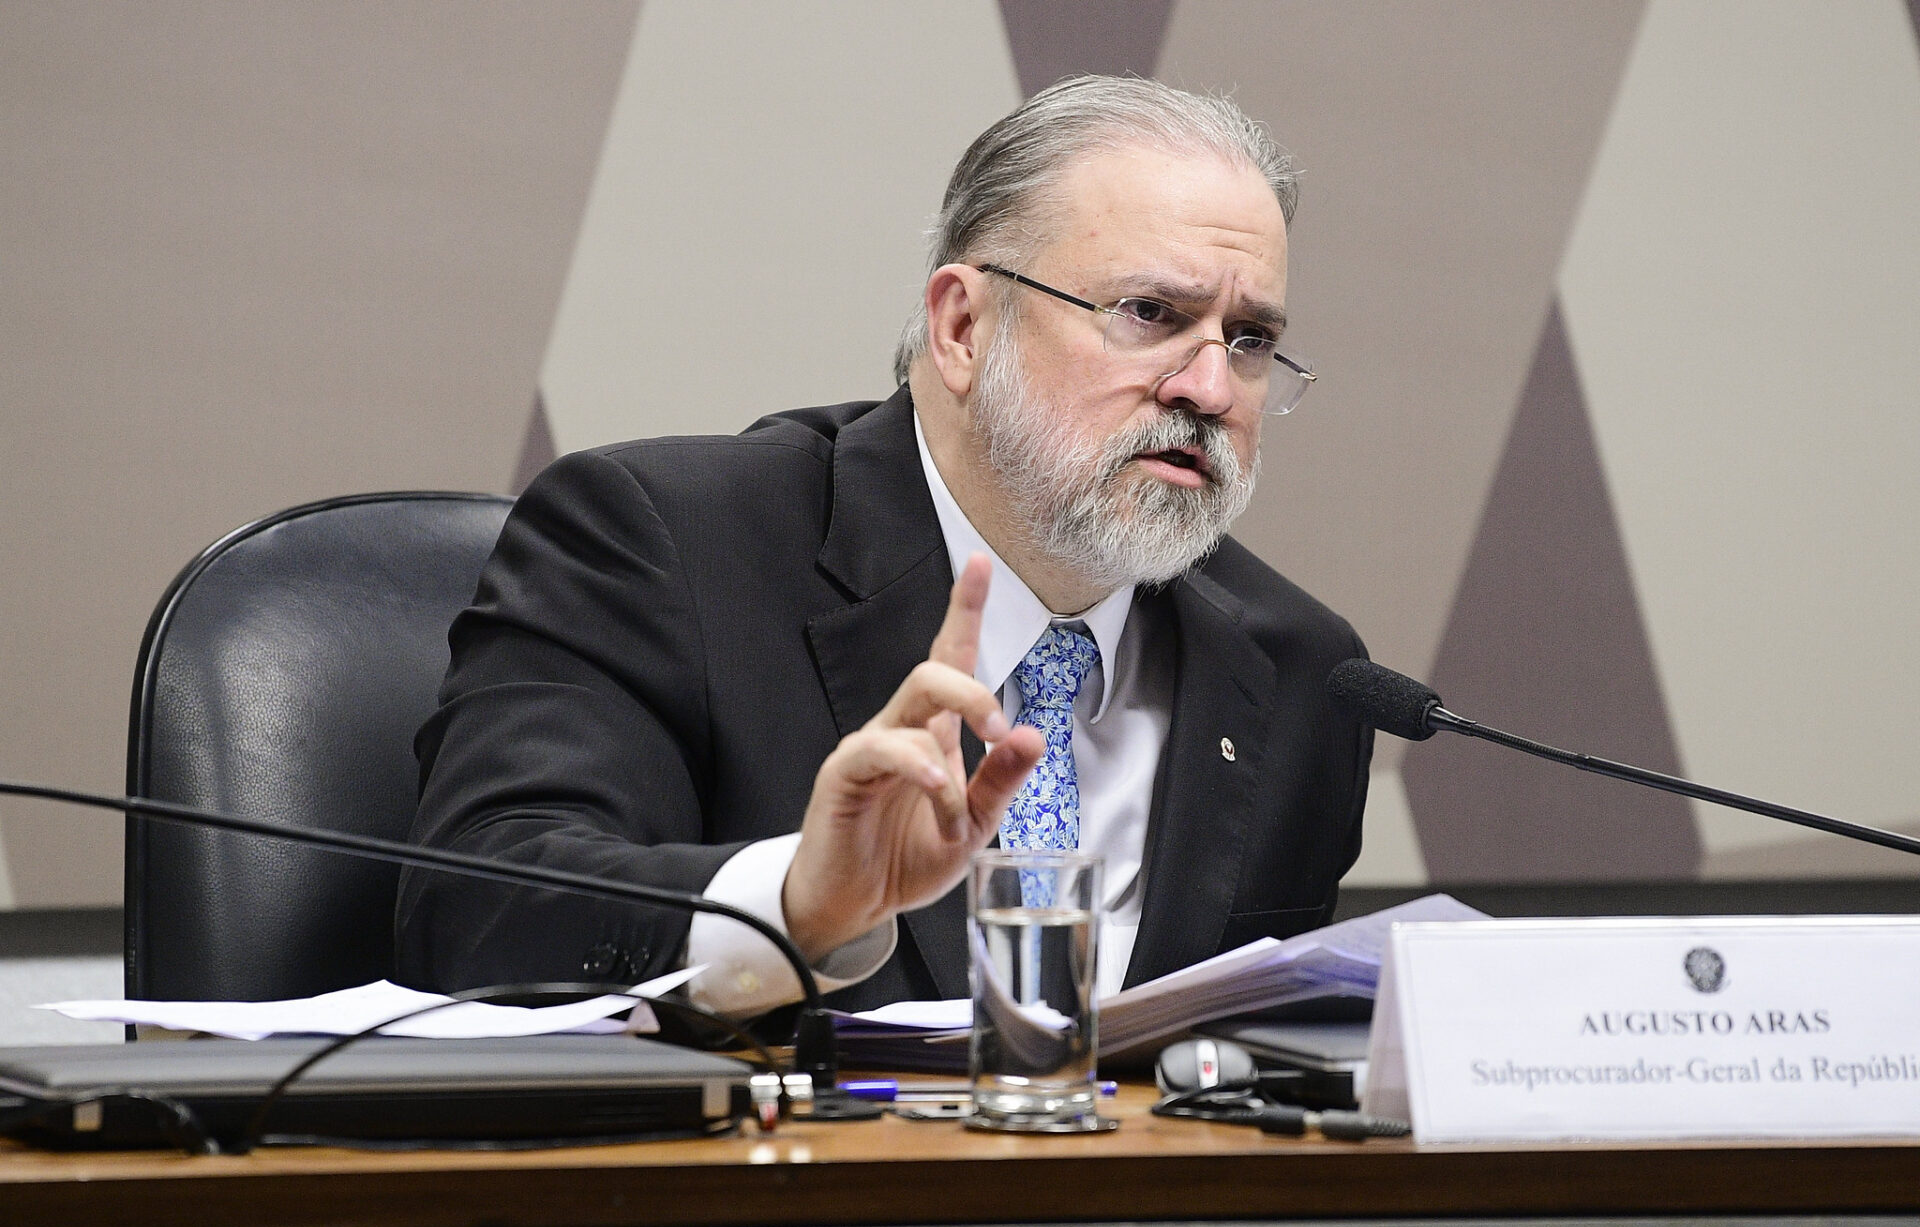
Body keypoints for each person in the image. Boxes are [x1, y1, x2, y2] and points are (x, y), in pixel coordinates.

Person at [395, 75, 1372, 1017]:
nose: (1209, 387)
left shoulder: (1302, 673)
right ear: (961, 325)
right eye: (1150, 313)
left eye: (1248, 338)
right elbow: (473, 915)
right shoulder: (665, 541)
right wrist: (796, 903)